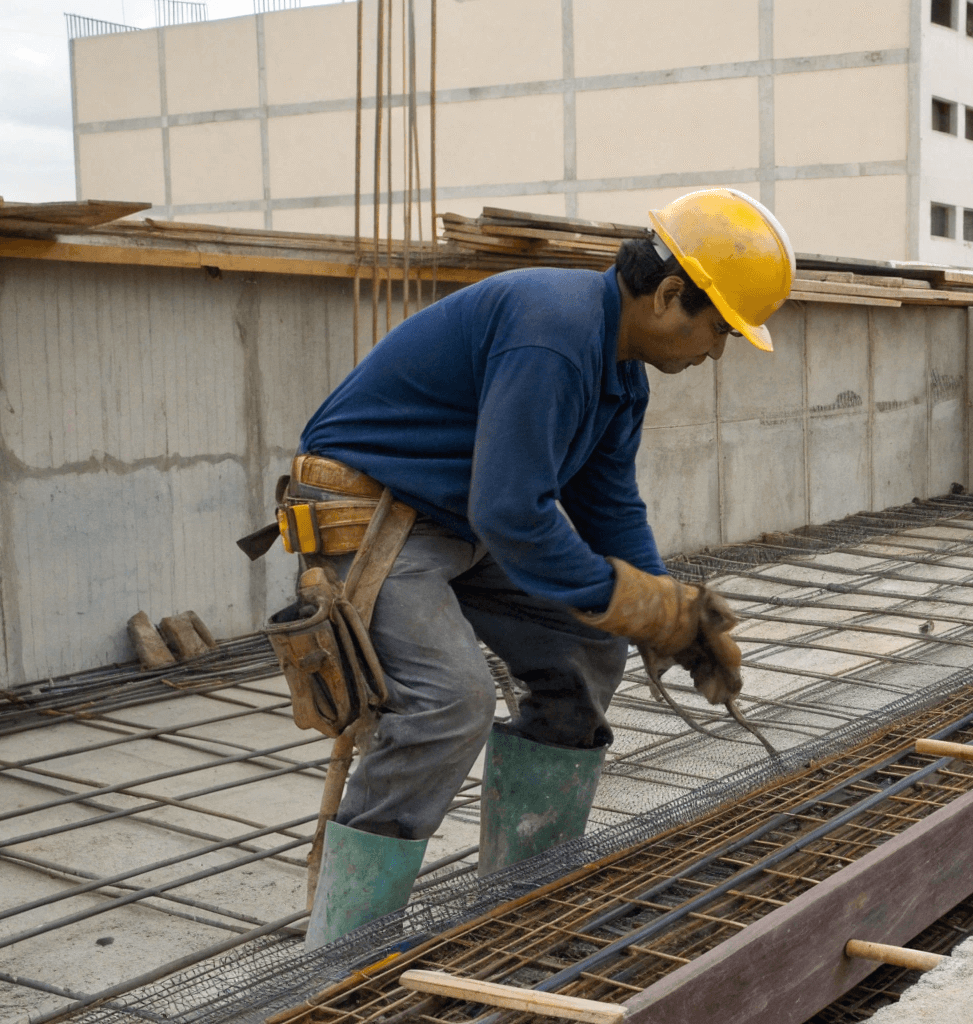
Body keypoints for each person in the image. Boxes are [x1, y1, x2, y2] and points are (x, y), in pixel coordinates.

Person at [277, 189, 795, 946]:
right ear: (671, 295)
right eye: (719, 331)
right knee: (450, 699)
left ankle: (522, 896)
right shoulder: (553, 334)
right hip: (370, 516)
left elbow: (610, 510)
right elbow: (513, 514)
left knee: (584, 648)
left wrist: (672, 616)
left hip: (454, 521)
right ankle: (343, 949)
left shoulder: (619, 375)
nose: (716, 353)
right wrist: (636, 601)